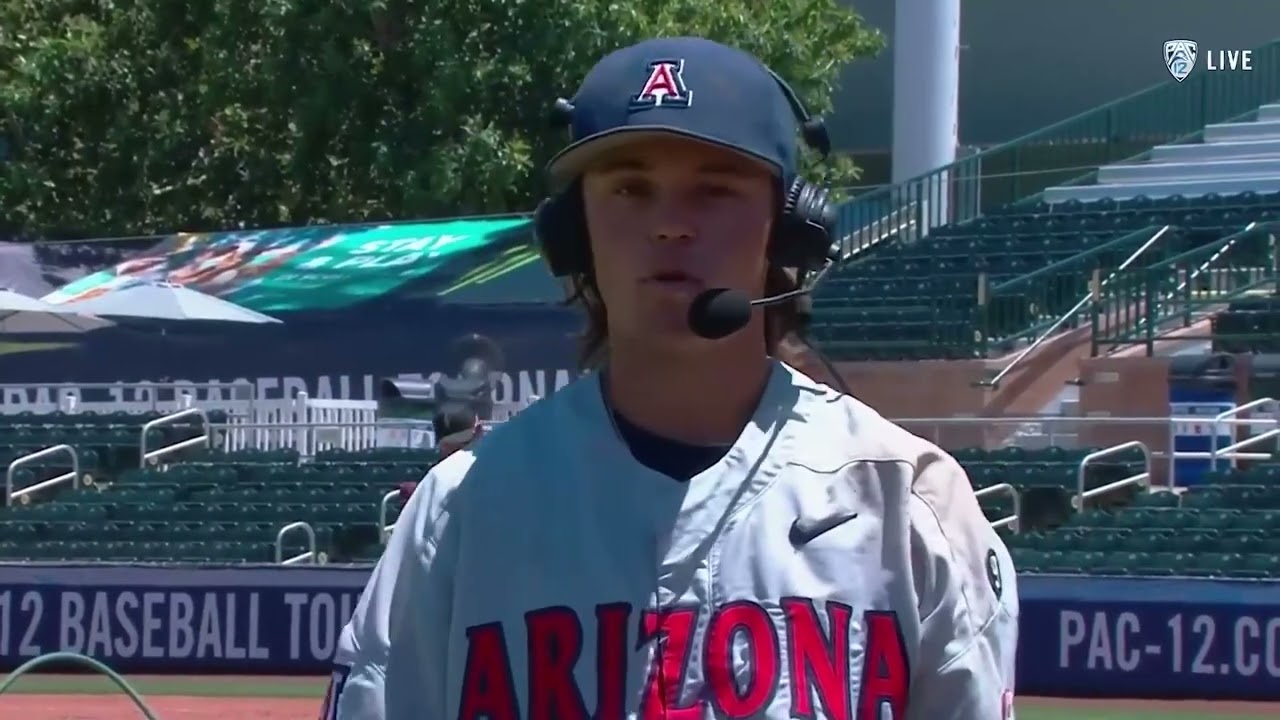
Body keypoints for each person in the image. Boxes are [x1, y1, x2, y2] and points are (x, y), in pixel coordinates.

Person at [356, 36, 1021, 720]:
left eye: (714, 190)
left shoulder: (910, 507)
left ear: (787, 228)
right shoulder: (462, 513)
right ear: (575, 234)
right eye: (630, 189)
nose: (670, 225)